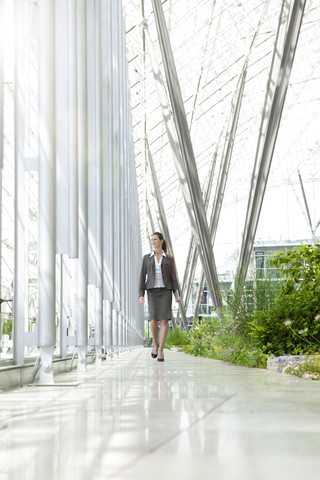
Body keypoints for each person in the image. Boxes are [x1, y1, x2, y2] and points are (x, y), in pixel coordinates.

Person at [139, 232, 181, 362]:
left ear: (161, 241)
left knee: (164, 321)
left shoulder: (169, 259)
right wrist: (141, 294)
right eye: (152, 240)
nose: (153, 242)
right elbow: (142, 277)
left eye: (155, 239)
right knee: (153, 320)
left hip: (165, 292)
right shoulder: (146, 258)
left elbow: (173, 278)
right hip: (152, 292)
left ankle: (161, 349)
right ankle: (155, 346)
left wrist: (177, 295)